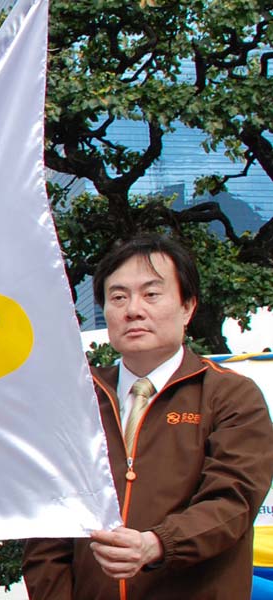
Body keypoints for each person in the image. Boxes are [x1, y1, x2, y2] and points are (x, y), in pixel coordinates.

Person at [23, 234, 273, 599]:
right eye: (118, 297)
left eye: (151, 294)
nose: (133, 310)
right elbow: (47, 528)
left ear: (187, 308)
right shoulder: (79, 400)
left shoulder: (231, 395)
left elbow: (232, 502)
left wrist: (157, 544)